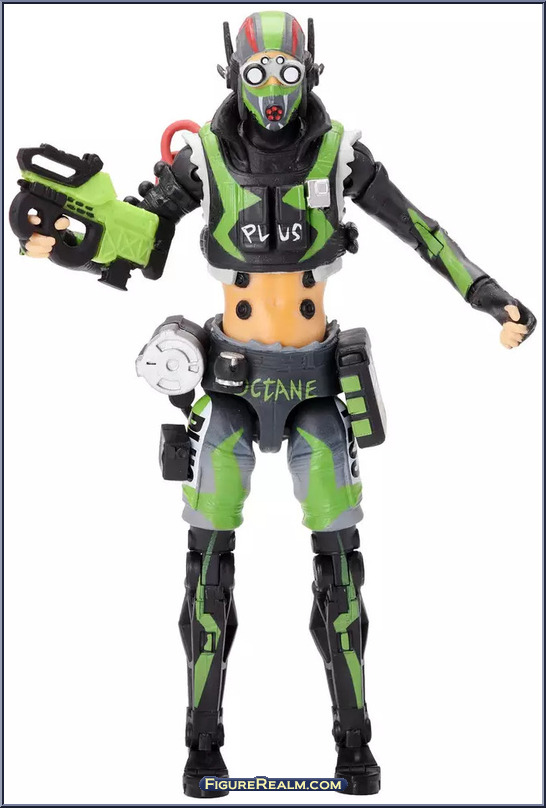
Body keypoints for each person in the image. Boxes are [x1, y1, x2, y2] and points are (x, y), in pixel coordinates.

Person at [20, 11, 535, 798]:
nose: (270, 91)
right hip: (229, 384)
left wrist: (488, 294)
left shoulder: (340, 153)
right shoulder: (204, 157)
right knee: (207, 572)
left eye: (286, 74)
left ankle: (354, 745)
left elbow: (420, 230)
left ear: (309, 75)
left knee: (340, 572)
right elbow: (143, 237)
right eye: (256, 74)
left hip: (315, 385)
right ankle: (202, 748)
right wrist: (74, 237)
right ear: (232, 74)